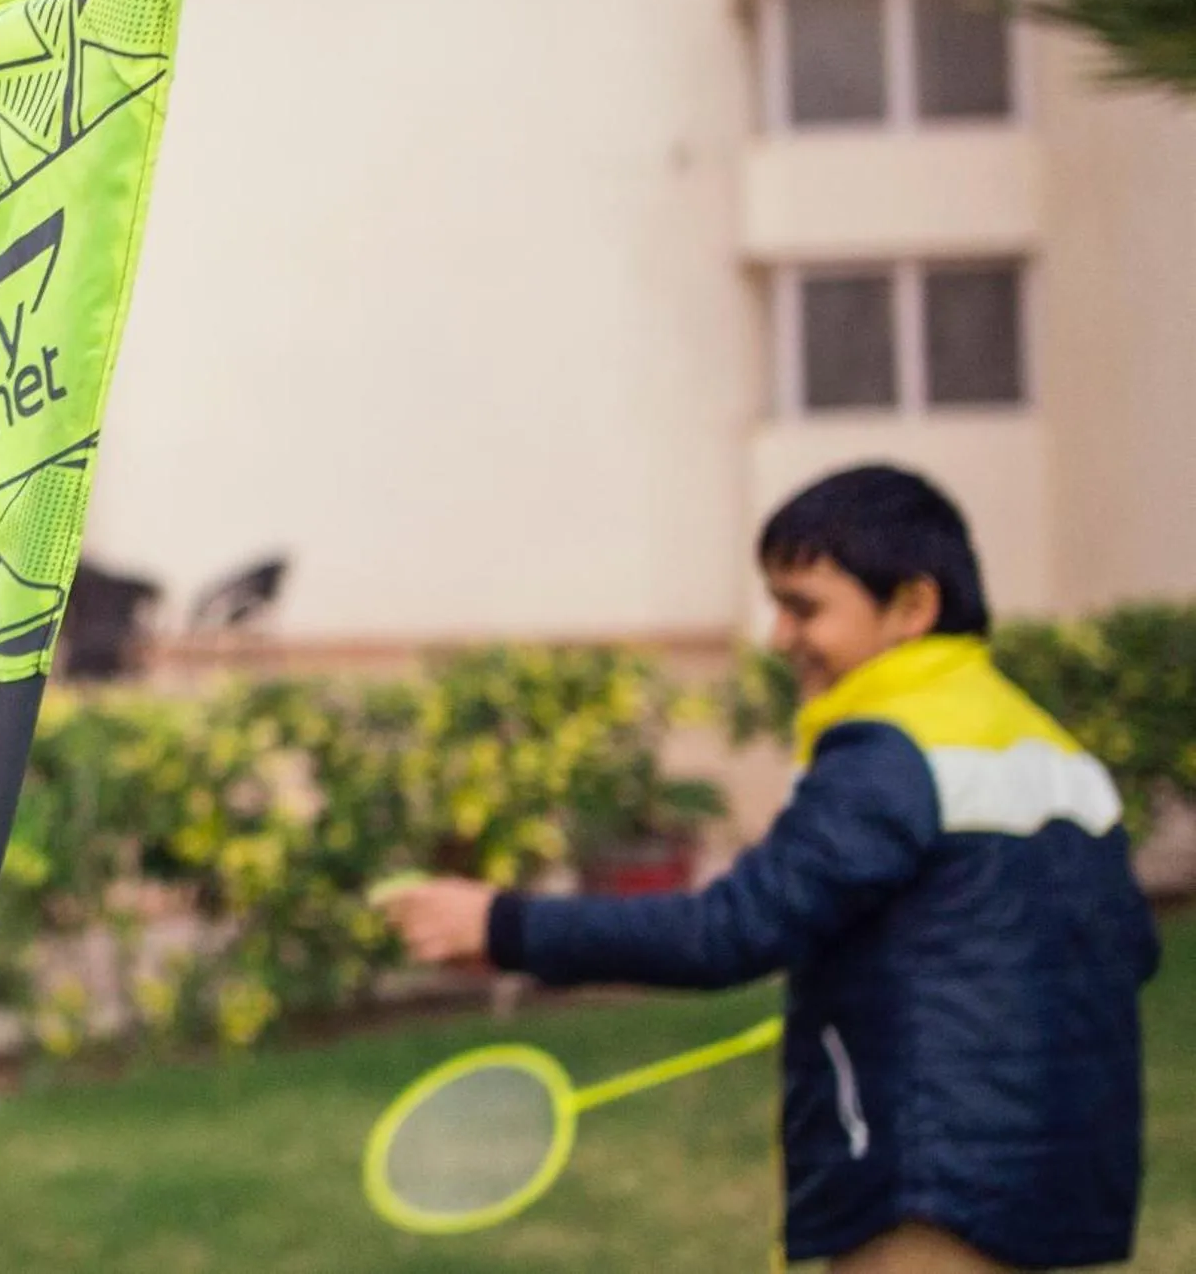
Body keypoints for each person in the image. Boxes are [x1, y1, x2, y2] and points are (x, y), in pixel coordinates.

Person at [376, 465, 1160, 1273]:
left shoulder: (888, 750)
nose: (779, 637)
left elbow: (727, 929)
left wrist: (504, 925)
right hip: (1061, 1188)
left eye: (803, 607)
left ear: (912, 608)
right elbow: (1122, 951)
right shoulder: (1057, 755)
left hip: (926, 1192)